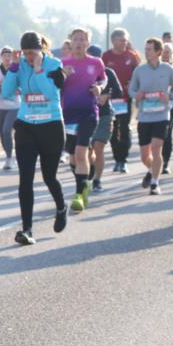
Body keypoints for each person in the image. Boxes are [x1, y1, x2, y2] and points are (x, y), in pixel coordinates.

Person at [1, 31, 68, 245]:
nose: (29, 57)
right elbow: (6, 93)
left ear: (41, 50)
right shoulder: (19, 65)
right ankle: (27, 229)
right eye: (26, 53)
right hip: (26, 127)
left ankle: (61, 206)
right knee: (25, 179)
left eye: (33, 53)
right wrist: (13, 66)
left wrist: (39, 69)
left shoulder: (54, 64)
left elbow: (50, 93)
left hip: (51, 126)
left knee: (49, 177)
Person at [130, 38, 173, 195]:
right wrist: (137, 95)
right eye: (145, 49)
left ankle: (155, 183)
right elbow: (131, 91)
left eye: (150, 49)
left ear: (159, 52)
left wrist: (170, 97)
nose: (147, 52)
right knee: (144, 156)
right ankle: (152, 170)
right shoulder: (139, 71)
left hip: (162, 115)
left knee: (156, 148)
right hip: (144, 116)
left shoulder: (168, 69)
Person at [60, 28, 106, 212]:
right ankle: (84, 181)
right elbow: (53, 84)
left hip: (88, 112)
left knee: (80, 153)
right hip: (68, 115)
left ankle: (79, 194)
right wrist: (62, 75)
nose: (79, 42)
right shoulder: (62, 63)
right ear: (70, 42)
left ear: (87, 43)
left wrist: (100, 88)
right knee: (73, 158)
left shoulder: (96, 62)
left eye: (83, 39)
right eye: (76, 39)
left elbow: (103, 80)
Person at [103, 28, 141, 173]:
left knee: (124, 128)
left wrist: (133, 83)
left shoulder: (131, 56)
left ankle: (123, 160)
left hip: (125, 98)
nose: (125, 43)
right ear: (114, 41)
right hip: (111, 98)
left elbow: (139, 75)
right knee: (113, 129)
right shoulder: (106, 56)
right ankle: (116, 157)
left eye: (126, 40)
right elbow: (101, 75)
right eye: (122, 40)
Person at [86, 45, 121, 193]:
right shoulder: (83, 72)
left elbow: (119, 91)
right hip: (86, 115)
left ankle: (97, 179)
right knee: (88, 151)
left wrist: (106, 96)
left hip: (105, 115)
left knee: (98, 148)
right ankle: (87, 175)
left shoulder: (108, 72)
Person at [160, 42, 173, 172]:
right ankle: (156, 161)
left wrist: (171, 94)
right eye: (163, 52)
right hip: (153, 107)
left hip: (170, 106)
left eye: (168, 52)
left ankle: (165, 163)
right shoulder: (154, 68)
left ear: (172, 55)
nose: (165, 55)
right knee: (156, 136)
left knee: (166, 135)